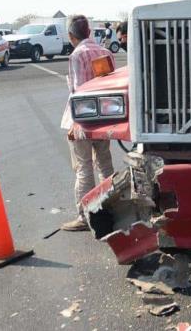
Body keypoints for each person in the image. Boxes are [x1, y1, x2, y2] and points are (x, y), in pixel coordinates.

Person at [60, 15, 116, 231]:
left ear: (71, 35)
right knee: (105, 164)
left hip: (82, 121)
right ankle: (109, 209)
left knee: (84, 168)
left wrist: (76, 124)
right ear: (89, 31)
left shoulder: (77, 55)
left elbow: (77, 92)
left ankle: (85, 217)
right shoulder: (105, 51)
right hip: (105, 119)